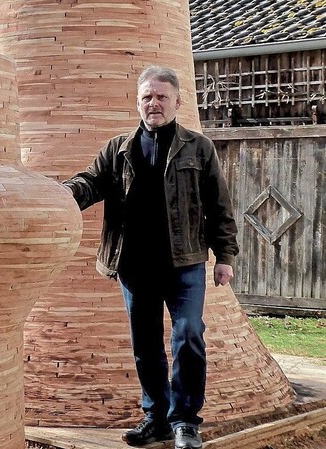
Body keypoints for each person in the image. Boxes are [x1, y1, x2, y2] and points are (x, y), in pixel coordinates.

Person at [60, 66, 239, 449]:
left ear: (177, 100)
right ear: (138, 101)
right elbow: (92, 182)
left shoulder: (199, 148)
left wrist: (225, 254)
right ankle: (156, 418)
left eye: (161, 96)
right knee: (145, 346)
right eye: (147, 97)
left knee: (188, 334)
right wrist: (65, 193)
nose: (153, 103)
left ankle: (186, 422)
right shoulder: (118, 149)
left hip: (185, 261)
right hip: (135, 265)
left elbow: (218, 205)